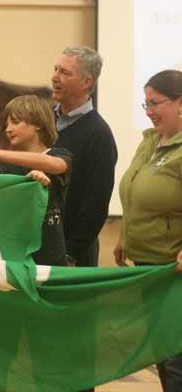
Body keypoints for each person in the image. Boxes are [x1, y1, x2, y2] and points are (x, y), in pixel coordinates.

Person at [115, 69, 182, 391]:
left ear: (180, 103)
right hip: (146, 268)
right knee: (162, 354)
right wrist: (124, 233)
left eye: (156, 103)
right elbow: (134, 191)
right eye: (145, 104)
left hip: (174, 270)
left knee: (175, 359)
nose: (149, 111)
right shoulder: (150, 141)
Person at [0, 94, 72, 266]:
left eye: (15, 122)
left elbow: (57, 166)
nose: (8, 129)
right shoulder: (3, 164)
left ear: (38, 124)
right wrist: (25, 185)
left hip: (50, 256)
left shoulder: (59, 154)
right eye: (7, 124)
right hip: (12, 255)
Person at [51, 46, 117, 268]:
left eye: (65, 72)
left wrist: (71, 253)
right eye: (55, 69)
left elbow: (96, 203)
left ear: (86, 82)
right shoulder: (44, 120)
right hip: (39, 244)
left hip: (73, 254)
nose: (54, 77)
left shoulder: (99, 134)